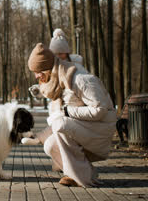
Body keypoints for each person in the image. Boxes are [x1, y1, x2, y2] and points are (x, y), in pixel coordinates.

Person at [26, 42, 116, 187]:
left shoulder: (80, 79)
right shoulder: (59, 79)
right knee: (50, 145)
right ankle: (84, 172)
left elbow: (100, 110)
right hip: (85, 126)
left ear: (48, 68)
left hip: (101, 128)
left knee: (60, 124)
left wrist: (68, 111)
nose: (36, 76)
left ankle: (82, 177)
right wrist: (39, 137)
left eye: (39, 72)